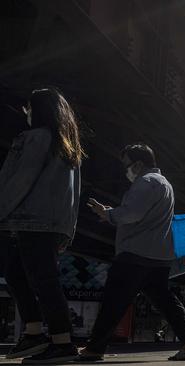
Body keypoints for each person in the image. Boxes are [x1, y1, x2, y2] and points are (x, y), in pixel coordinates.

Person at [82, 143, 185, 361]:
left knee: (114, 300)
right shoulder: (165, 183)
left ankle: (95, 348)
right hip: (159, 256)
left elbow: (133, 214)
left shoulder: (145, 181)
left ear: (138, 164)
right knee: (164, 299)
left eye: (126, 164)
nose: (125, 170)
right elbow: (143, 214)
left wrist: (108, 214)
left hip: (136, 253)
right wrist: (112, 212)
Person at [0, 88, 84, 363]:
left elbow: (18, 179)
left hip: (29, 220)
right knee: (21, 275)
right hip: (49, 224)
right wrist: (67, 230)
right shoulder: (68, 146)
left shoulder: (33, 138)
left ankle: (62, 341)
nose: (26, 113)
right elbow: (75, 195)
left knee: (38, 280)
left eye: (29, 108)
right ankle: (35, 333)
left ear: (36, 111)